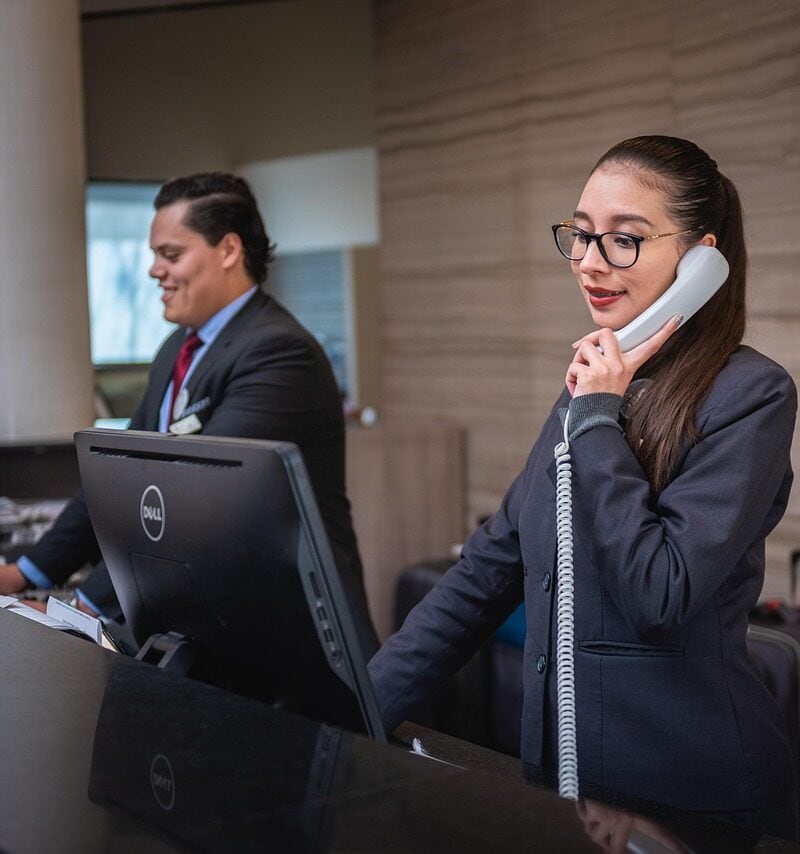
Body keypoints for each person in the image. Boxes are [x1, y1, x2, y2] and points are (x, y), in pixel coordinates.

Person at [368, 136, 798, 840]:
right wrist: (352, 706)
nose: (591, 262)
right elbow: (484, 572)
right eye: (582, 235)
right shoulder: (591, 388)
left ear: (702, 260)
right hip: (562, 789)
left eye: (624, 240)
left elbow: (662, 594)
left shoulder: (749, 395)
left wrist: (598, 414)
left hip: (688, 802)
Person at [0, 172, 374, 648]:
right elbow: (116, 479)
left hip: (285, 639)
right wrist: (22, 573)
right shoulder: (178, 346)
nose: (155, 270)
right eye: (155, 254)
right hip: (203, 626)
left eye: (170, 254)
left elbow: (193, 506)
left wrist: (81, 610)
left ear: (229, 250)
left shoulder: (279, 353)